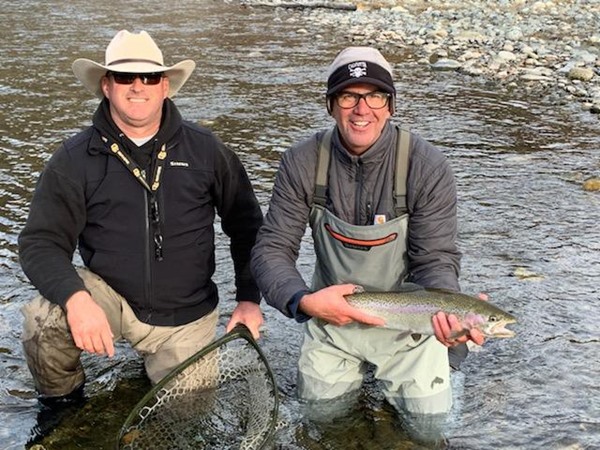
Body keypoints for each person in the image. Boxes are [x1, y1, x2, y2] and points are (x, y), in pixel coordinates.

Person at [18, 30, 264, 413]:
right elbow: (40, 243)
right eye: (124, 77)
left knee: (188, 419)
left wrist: (249, 299)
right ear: (106, 85)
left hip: (187, 317)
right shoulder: (73, 159)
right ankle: (63, 406)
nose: (137, 87)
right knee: (42, 318)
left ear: (165, 86)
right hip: (110, 301)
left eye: (149, 77)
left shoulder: (207, 150)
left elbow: (246, 226)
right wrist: (77, 300)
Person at [250, 46, 484, 443]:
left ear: (390, 105)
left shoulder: (426, 165)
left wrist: (448, 312)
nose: (362, 109)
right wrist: (303, 301)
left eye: (374, 96)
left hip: (409, 331)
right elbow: (271, 249)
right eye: (348, 96)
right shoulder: (302, 161)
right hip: (331, 320)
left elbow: (436, 259)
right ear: (330, 105)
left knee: (430, 432)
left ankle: (446, 367)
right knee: (322, 422)